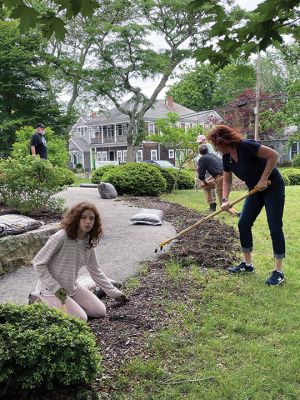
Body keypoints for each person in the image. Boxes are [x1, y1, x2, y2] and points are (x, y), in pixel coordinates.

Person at [208, 124, 285, 286]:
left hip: (272, 186)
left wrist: (264, 179)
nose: (216, 148)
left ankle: (279, 272)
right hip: (254, 190)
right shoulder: (226, 157)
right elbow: (227, 179)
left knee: (274, 226)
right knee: (243, 223)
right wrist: (224, 200)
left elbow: (274, 155)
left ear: (224, 141)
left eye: (216, 144)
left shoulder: (247, 146)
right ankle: (247, 265)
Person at [32, 202, 128, 321]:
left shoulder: (89, 242)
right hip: (53, 290)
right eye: (83, 217)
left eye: (91, 218)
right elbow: (38, 263)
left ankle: (65, 304)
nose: (88, 221)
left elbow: (95, 271)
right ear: (76, 218)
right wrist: (56, 288)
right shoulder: (61, 237)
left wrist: (114, 292)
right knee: (81, 318)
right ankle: (39, 299)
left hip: (72, 288)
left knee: (100, 311)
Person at [198, 144, 238, 215]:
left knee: (223, 203)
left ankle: (236, 214)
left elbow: (201, 175)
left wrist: (205, 182)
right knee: (204, 186)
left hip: (221, 179)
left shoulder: (202, 158)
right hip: (224, 176)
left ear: (200, 152)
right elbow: (216, 170)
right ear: (207, 150)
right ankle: (212, 205)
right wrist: (206, 183)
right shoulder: (213, 156)